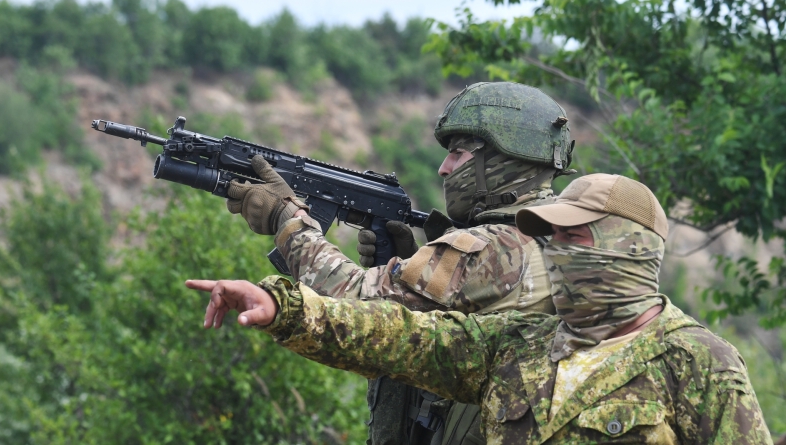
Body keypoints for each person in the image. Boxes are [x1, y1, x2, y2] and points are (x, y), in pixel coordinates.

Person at [188, 173, 773, 444]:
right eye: (550, 237)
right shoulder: (519, 341)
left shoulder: (698, 363)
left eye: (573, 238)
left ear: (630, 247)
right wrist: (285, 307)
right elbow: (396, 334)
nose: (554, 251)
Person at [224, 82, 575, 445]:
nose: (443, 168)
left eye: (458, 154)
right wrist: (409, 266)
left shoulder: (493, 245)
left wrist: (289, 221)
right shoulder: (560, 233)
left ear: (503, 158)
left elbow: (356, 309)